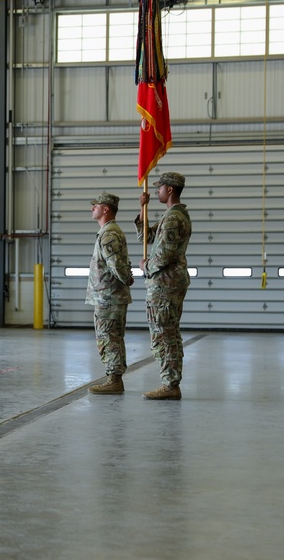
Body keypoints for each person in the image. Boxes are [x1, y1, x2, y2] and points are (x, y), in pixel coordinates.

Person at [135, 171, 191, 400]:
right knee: (169, 332)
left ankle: (170, 384)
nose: (156, 190)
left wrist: (146, 267)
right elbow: (146, 238)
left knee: (164, 334)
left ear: (169, 190)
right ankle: (171, 382)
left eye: (159, 188)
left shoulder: (173, 218)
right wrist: (142, 209)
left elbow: (165, 253)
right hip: (168, 281)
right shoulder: (173, 215)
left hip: (165, 283)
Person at [85, 192, 134, 394]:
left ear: (106, 209)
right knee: (112, 337)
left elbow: (116, 264)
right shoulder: (108, 231)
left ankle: (114, 380)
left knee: (109, 338)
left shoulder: (109, 233)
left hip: (109, 297)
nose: (92, 208)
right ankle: (115, 378)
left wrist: (126, 277)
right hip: (109, 296)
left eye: (95, 205)